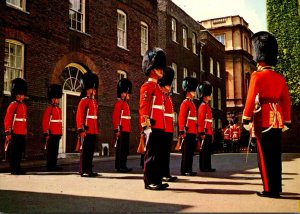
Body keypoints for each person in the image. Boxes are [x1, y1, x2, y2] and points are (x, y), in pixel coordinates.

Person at [242, 31, 291, 198]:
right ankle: (276, 187)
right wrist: (287, 121)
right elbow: (286, 101)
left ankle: (269, 189)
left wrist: (246, 118)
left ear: (259, 58)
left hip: (262, 121)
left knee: (264, 157)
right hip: (277, 121)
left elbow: (250, 99)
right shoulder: (280, 78)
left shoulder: (257, 76)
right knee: (276, 156)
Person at [139, 47, 168, 190]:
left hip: (160, 126)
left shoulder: (158, 88)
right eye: (159, 68)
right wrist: (146, 127)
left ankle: (157, 179)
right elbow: (144, 109)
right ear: (152, 69)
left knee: (158, 155)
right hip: (152, 127)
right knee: (151, 156)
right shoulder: (147, 87)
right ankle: (149, 181)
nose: (162, 70)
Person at [76, 72, 99, 177]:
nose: (93, 91)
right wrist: (81, 129)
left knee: (90, 152)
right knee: (85, 152)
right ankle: (83, 170)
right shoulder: (83, 101)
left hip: (93, 129)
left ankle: (89, 170)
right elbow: (79, 115)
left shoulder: (94, 102)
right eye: (91, 89)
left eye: (94, 89)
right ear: (86, 89)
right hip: (86, 129)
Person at [4, 78, 27, 175]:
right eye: (19, 95)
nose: (21, 97)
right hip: (14, 132)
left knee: (19, 152)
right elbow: (8, 119)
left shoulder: (24, 106)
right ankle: (13, 168)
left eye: (22, 95)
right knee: (14, 152)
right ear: (15, 95)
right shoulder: (12, 105)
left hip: (21, 132)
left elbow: (24, 120)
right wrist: (8, 132)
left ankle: (18, 167)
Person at [158, 66, 177, 182]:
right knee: (161, 154)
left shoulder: (167, 97)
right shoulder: (160, 96)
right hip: (162, 128)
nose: (169, 88)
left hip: (168, 128)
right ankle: (161, 174)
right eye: (168, 85)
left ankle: (166, 173)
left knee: (166, 154)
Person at [178, 77, 198, 176]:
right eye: (193, 90)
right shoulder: (185, 103)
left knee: (190, 152)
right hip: (187, 131)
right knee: (186, 152)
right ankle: (184, 170)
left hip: (192, 131)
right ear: (188, 91)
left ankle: (188, 169)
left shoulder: (192, 103)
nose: (195, 92)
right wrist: (182, 130)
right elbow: (182, 117)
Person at [112, 78, 132, 173]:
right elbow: (116, 117)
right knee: (120, 150)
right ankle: (119, 166)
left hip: (126, 129)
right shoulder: (119, 103)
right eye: (127, 93)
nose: (129, 95)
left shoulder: (125, 104)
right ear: (123, 93)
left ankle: (123, 165)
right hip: (121, 130)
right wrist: (117, 128)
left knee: (124, 150)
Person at [42, 84, 63, 171]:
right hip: (51, 133)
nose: (58, 100)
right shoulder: (49, 109)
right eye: (56, 99)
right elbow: (45, 122)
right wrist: (46, 133)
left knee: (55, 151)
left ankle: (54, 164)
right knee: (50, 151)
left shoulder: (59, 110)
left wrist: (61, 132)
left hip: (57, 133)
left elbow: (59, 122)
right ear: (52, 99)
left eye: (58, 98)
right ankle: (50, 165)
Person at [197, 81, 216, 172]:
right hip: (204, 131)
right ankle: (203, 167)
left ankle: (207, 166)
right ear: (204, 96)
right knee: (204, 151)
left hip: (208, 131)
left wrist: (211, 133)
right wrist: (201, 132)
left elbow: (209, 122)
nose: (210, 96)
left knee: (207, 151)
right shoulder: (202, 106)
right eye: (208, 95)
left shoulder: (207, 106)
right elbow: (200, 120)